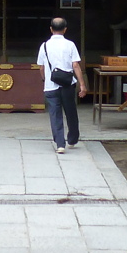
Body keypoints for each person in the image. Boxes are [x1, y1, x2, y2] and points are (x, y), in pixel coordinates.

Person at [37, 16, 87, 154]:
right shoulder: (70, 45)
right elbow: (75, 65)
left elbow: (41, 67)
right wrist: (82, 85)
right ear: (65, 29)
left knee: (55, 114)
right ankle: (72, 139)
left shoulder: (44, 45)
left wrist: (45, 79)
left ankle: (60, 144)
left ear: (51, 29)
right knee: (71, 112)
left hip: (50, 86)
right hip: (67, 85)